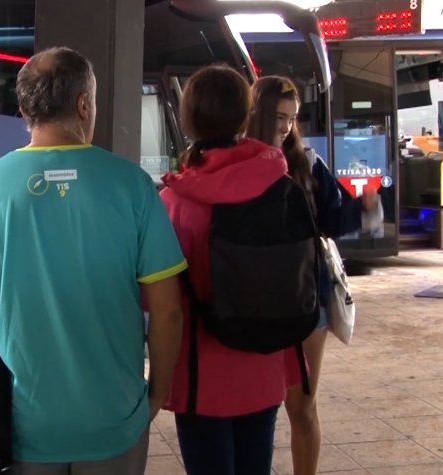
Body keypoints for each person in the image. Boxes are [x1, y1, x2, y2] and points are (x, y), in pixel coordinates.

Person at [0, 46, 185, 474]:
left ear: (24, 110)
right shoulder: (134, 187)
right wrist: (155, 396)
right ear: (84, 103)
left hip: (22, 427)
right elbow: (166, 312)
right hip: (115, 421)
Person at [160, 65, 303, 475]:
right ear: (246, 116)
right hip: (264, 361)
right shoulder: (279, 185)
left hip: (201, 375)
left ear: (189, 120)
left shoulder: (174, 201)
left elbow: (156, 296)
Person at [247, 75, 381, 475]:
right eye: (278, 116)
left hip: (307, 296)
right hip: (250, 299)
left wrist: (367, 207)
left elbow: (333, 219)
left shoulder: (306, 162)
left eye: (292, 118)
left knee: (301, 404)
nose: (286, 126)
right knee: (257, 405)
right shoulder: (235, 161)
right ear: (257, 114)